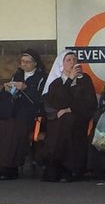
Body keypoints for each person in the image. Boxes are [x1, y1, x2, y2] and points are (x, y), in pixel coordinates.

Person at [0, 50, 47, 180]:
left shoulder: (42, 77)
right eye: (23, 62)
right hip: (13, 112)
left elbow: (40, 98)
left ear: (35, 64)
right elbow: (6, 96)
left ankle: (8, 167)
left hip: (30, 114)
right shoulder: (17, 75)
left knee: (13, 131)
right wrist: (7, 89)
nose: (24, 64)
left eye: (28, 62)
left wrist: (25, 88)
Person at [39, 50, 97, 182]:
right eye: (68, 60)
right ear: (62, 64)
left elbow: (90, 103)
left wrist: (71, 109)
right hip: (59, 120)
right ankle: (59, 165)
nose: (72, 62)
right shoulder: (56, 83)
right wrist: (69, 80)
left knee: (68, 121)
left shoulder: (85, 80)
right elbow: (58, 102)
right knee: (63, 123)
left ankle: (64, 166)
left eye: (74, 59)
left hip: (79, 117)